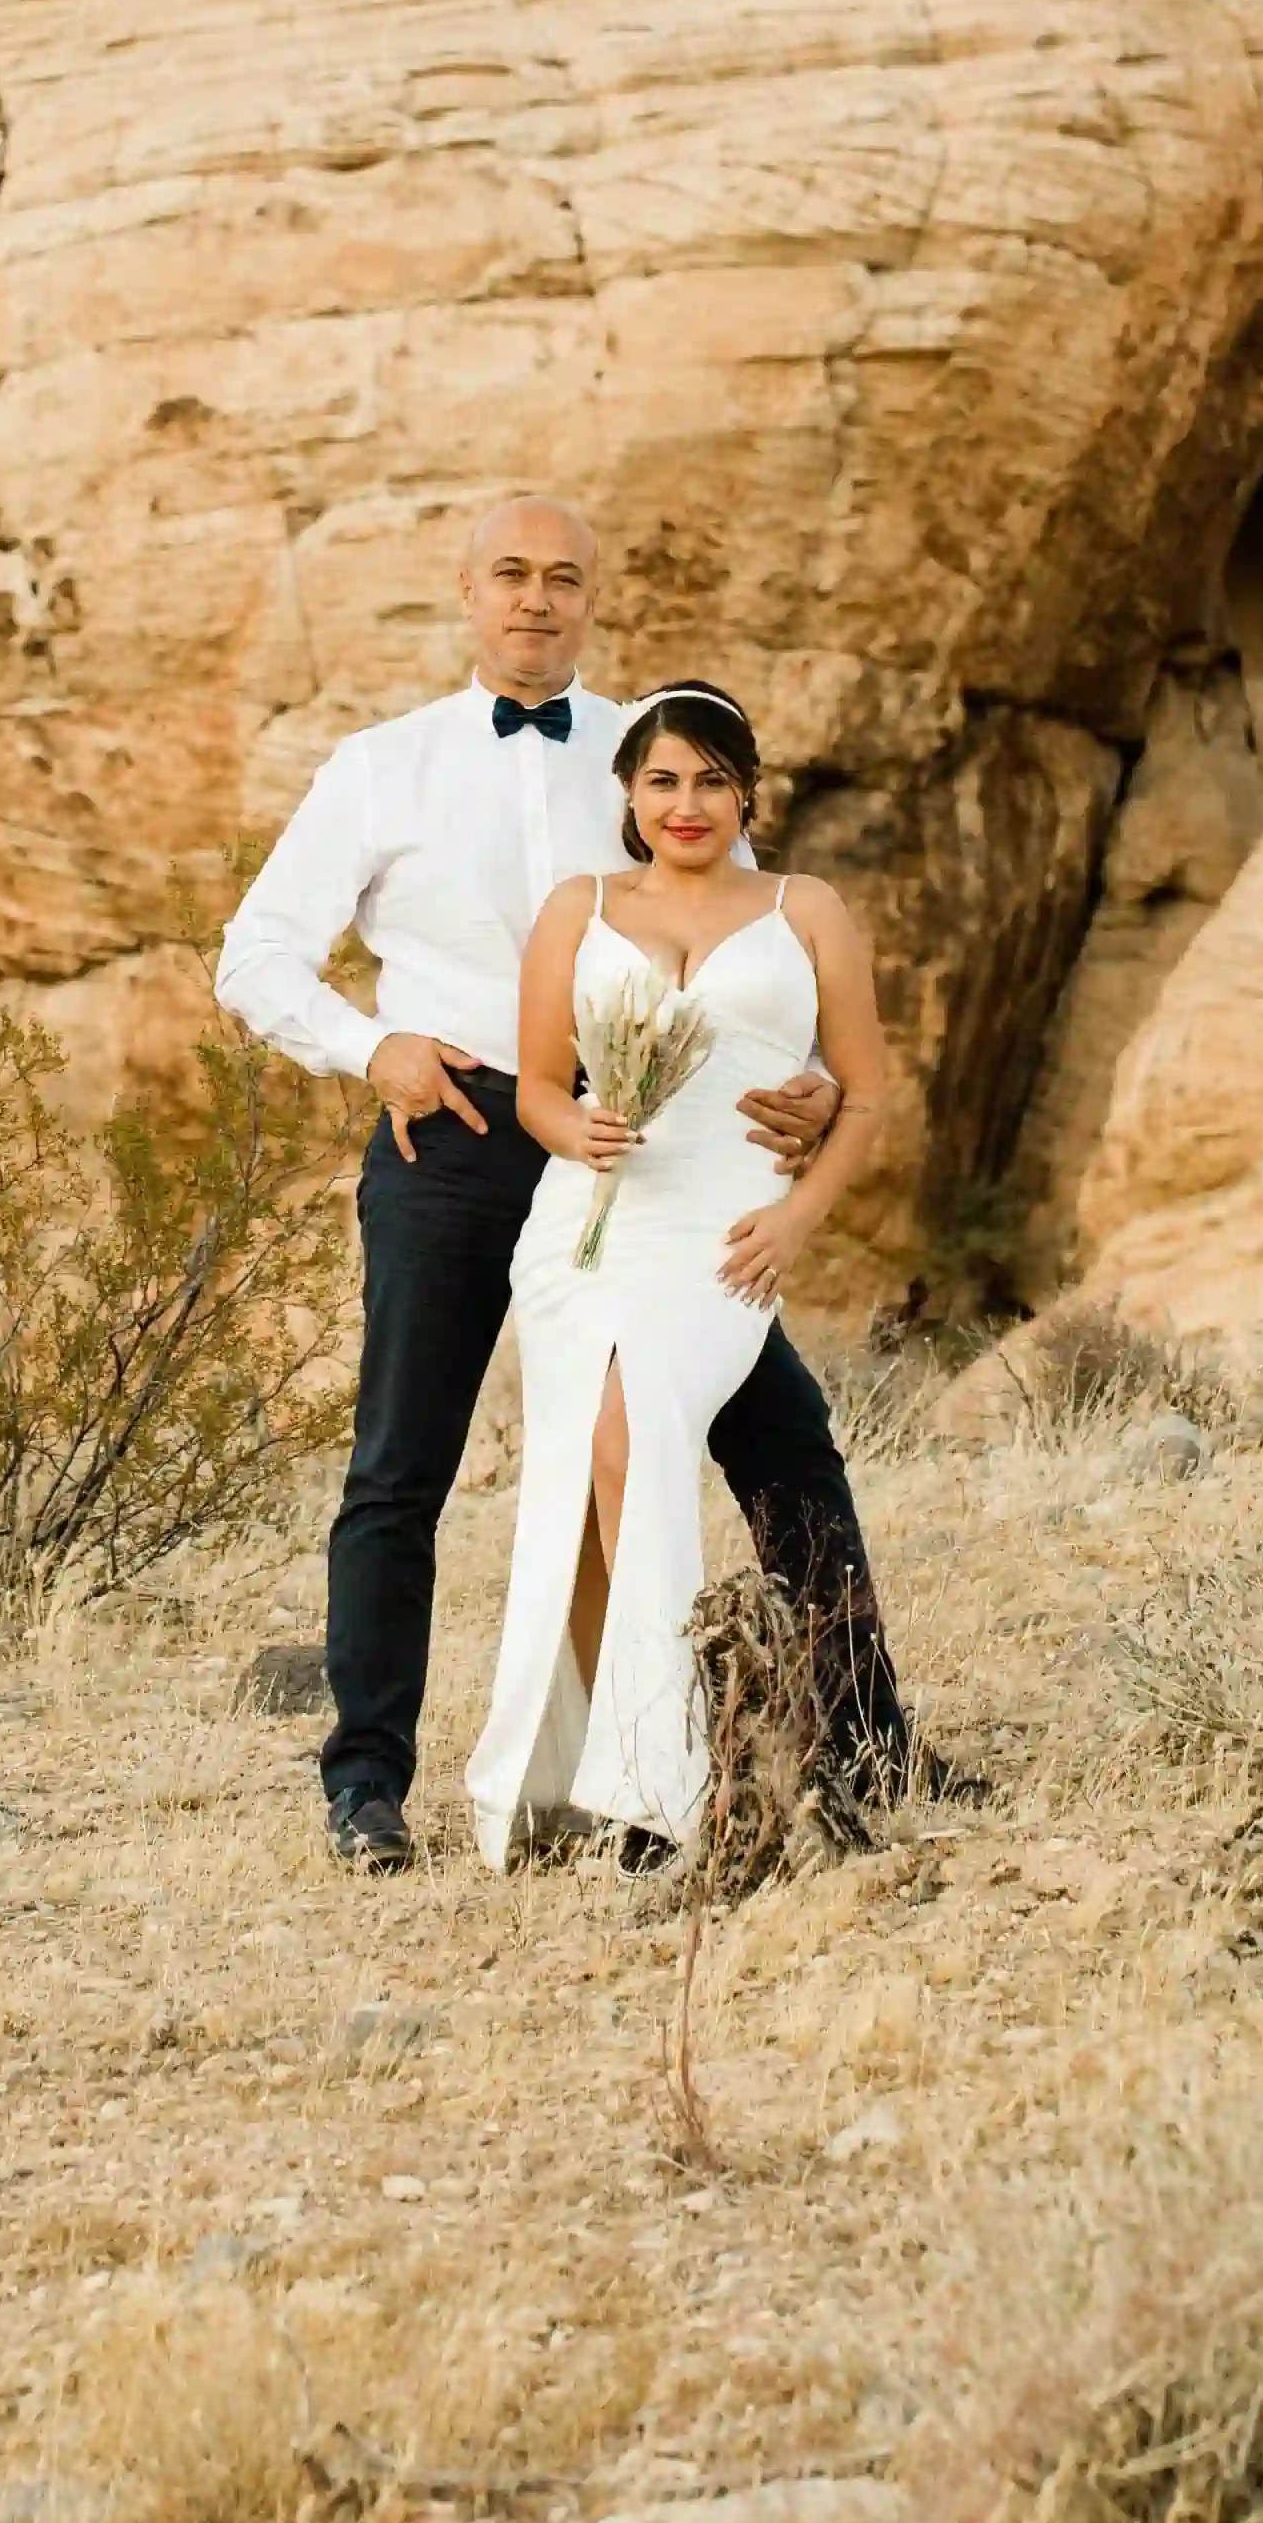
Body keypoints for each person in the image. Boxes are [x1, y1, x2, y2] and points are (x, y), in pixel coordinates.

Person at [214, 493, 940, 1875]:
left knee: (780, 1437)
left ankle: (868, 1735)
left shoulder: (650, 755)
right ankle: (366, 1781)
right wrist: (374, 1047)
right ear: (467, 592)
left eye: (562, 579)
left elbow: (740, 948)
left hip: (643, 1158)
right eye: (510, 576)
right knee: (400, 1466)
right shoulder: (383, 766)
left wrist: (812, 1084)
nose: (536, 600)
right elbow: (255, 956)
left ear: (592, 598)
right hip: (456, 1132)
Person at [467, 683, 891, 1868]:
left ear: (747, 790)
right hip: (590, 1226)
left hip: (724, 1234)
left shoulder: (807, 910)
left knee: (636, 1443)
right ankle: (628, 1777)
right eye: (662, 781)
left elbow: (868, 1089)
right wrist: (573, 1134)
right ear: (628, 796)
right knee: (595, 1466)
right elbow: (541, 1088)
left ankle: (665, 1774)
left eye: (710, 780)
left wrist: (800, 1220)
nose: (686, 803)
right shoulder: (578, 909)